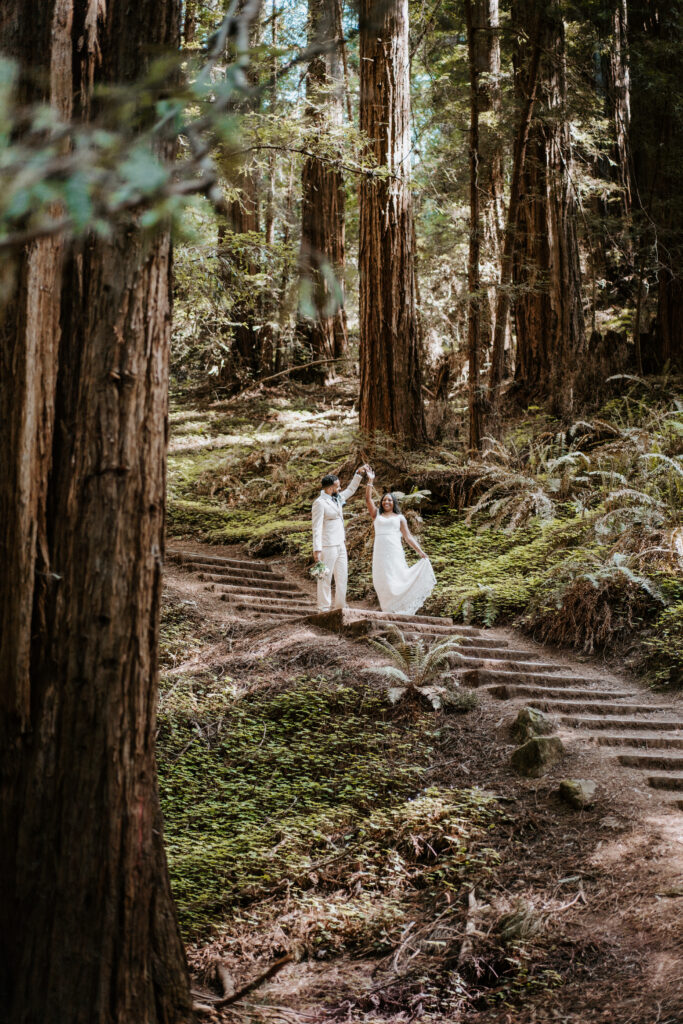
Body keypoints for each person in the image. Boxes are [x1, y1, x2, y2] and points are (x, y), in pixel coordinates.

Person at [364, 466, 436, 615]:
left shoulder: (400, 518)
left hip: (394, 550)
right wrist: (370, 480)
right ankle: (387, 607)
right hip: (380, 552)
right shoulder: (376, 515)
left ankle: (399, 607)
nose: (386, 502)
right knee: (381, 579)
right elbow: (368, 499)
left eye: (390, 500)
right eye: (384, 500)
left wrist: (420, 551)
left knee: (397, 577)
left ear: (394, 503)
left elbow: (408, 537)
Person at [312, 466, 365, 612]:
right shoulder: (320, 503)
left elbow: (351, 490)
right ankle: (323, 607)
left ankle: (341, 606)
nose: (340, 488)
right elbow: (316, 527)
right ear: (330, 489)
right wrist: (317, 549)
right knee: (325, 578)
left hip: (341, 543)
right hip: (327, 545)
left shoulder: (338, 498)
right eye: (337, 486)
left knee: (342, 576)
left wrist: (358, 474)